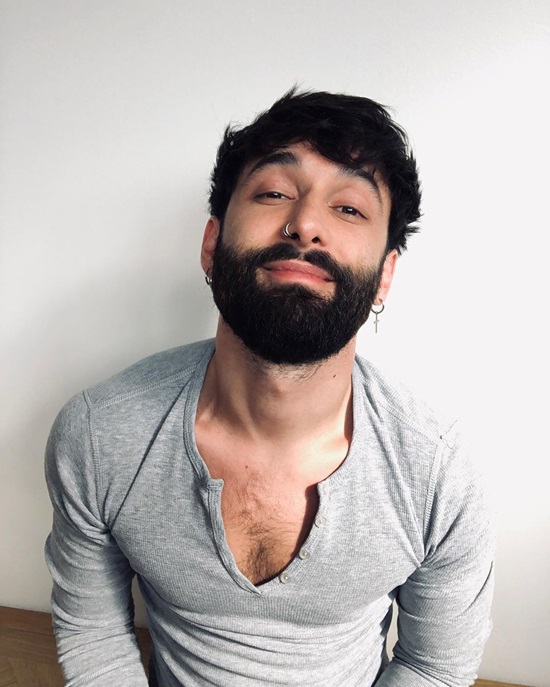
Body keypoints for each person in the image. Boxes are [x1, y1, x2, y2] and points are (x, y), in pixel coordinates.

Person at [45, 88, 494, 687]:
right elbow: (93, 629)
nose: (305, 223)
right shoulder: (100, 433)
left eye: (349, 208)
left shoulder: (438, 470)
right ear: (212, 244)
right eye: (275, 193)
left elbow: (433, 667)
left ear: (385, 274)